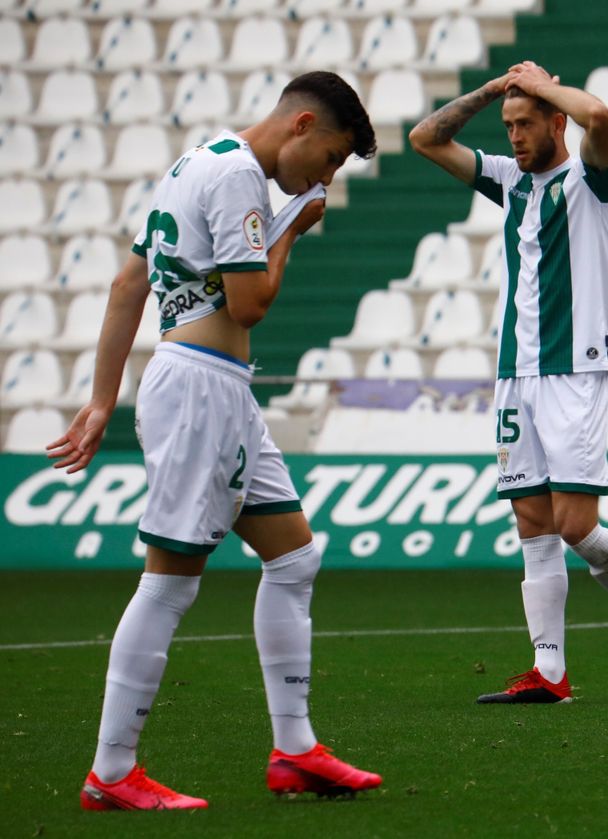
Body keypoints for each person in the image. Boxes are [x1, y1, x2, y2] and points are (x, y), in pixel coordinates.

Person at [47, 72, 382, 810]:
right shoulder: (239, 177)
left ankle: (295, 750)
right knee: (170, 580)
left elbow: (128, 283)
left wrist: (103, 401)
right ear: (302, 124)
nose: (324, 175)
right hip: (200, 388)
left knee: (294, 555)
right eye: (328, 158)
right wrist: (292, 223)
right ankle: (111, 769)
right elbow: (251, 302)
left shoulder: (194, 162)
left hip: (216, 388)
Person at [408, 62, 608, 705]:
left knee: (576, 527)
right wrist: (491, 92)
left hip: (574, 371)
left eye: (526, 124)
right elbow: (425, 138)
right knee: (532, 522)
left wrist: (542, 84)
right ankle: (549, 671)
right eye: (508, 127)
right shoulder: (510, 183)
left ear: (555, 120)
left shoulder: (590, 181)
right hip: (514, 374)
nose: (514, 138)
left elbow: (601, 119)